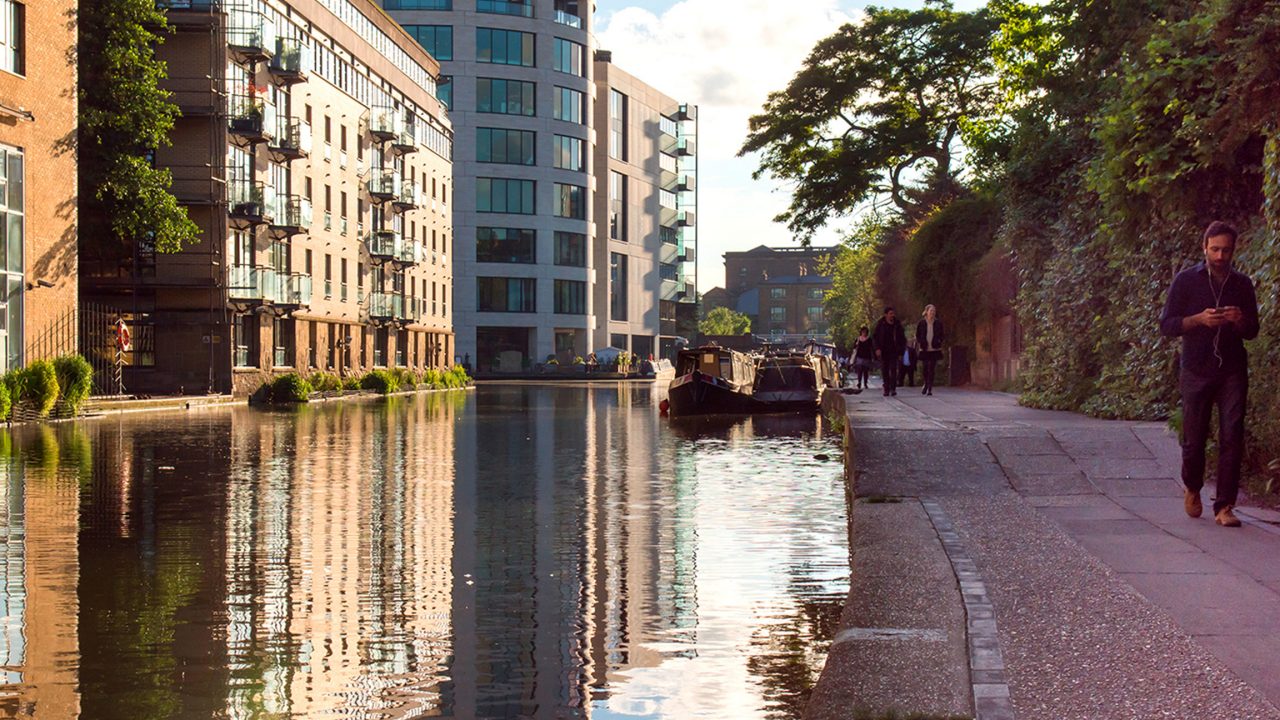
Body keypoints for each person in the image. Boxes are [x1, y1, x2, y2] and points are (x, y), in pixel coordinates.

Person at [1159, 221, 1259, 528]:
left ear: (1233, 250)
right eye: (1214, 249)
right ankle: (1192, 486)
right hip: (1195, 368)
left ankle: (1225, 506)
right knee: (1194, 437)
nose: (1219, 256)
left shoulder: (1242, 285)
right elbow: (1168, 325)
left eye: (1225, 250)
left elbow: (1253, 331)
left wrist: (1239, 320)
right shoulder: (1186, 281)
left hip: (1231, 369)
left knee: (1232, 434)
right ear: (1205, 247)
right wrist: (1199, 320)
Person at [873, 307, 907, 397]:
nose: (892, 315)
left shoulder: (897, 325)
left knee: (893, 369)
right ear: (886, 315)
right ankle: (886, 388)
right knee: (885, 369)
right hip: (884, 350)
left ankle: (893, 388)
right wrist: (877, 349)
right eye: (890, 313)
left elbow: (902, 339)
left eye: (893, 313)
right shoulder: (881, 324)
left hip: (894, 350)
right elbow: (875, 337)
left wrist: (901, 352)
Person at [916, 304, 945, 395]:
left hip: (934, 348)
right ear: (927, 312)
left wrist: (939, 341)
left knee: (932, 368)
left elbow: (942, 334)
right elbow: (917, 334)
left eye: (934, 311)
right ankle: (925, 383)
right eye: (931, 311)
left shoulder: (938, 323)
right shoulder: (921, 323)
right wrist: (921, 341)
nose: (932, 312)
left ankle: (930, 387)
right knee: (925, 368)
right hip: (925, 348)